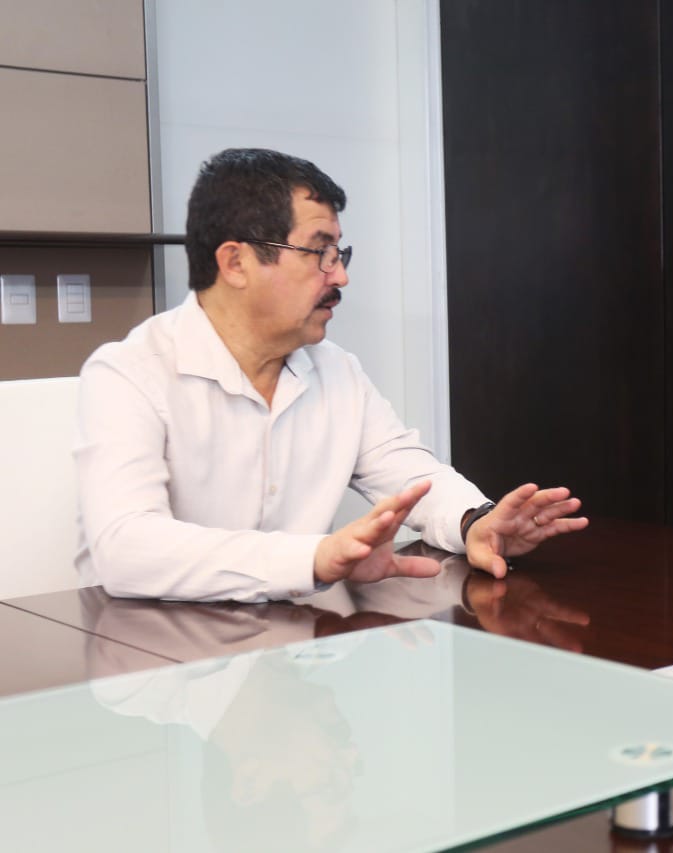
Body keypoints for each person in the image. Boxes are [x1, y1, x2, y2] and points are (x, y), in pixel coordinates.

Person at [74, 148, 587, 602]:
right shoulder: (129, 373)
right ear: (235, 263)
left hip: (292, 646)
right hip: (152, 655)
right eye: (319, 253)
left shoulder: (336, 370)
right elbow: (126, 548)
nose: (340, 275)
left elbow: (409, 474)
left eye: (339, 253)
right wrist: (313, 559)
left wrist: (476, 521)